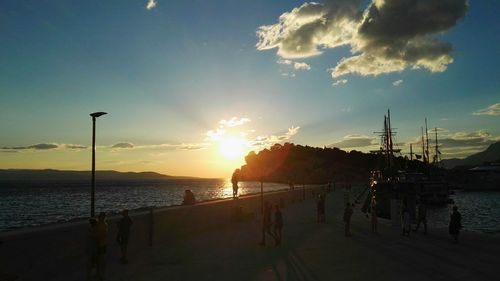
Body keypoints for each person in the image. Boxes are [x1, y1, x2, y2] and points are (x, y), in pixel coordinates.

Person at [95, 212, 108, 281]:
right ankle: (98, 274)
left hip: (101, 244)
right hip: (99, 244)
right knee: (98, 260)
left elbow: (103, 235)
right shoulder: (100, 224)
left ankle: (101, 275)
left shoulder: (103, 224)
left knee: (101, 260)